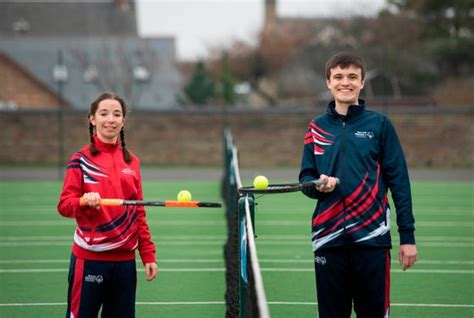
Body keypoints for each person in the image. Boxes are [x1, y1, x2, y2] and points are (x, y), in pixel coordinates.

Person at [299, 52, 418, 318]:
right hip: (327, 239)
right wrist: (318, 185)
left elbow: (399, 182)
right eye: (338, 76)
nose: (346, 82)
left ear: (362, 82)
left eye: (352, 77)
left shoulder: (380, 125)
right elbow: (305, 180)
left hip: (372, 240)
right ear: (328, 82)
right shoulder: (316, 128)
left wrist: (407, 237)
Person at [57, 92, 158, 318]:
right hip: (89, 261)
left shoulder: (132, 162)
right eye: (104, 113)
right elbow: (64, 205)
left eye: (116, 114)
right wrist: (83, 201)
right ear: (93, 119)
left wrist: (148, 255)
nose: (110, 119)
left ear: (123, 121)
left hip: (125, 264)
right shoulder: (79, 159)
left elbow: (138, 211)